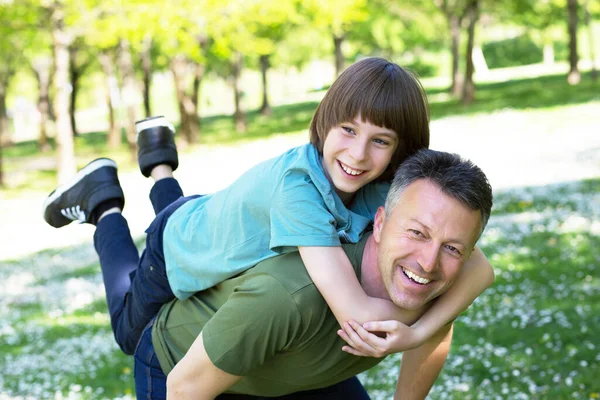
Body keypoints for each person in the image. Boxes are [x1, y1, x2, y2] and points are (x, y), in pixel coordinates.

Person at [43, 57, 491, 373]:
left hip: (214, 220)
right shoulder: (299, 192)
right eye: (348, 130)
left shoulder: (384, 189)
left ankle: (158, 156)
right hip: (178, 248)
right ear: (324, 121)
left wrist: (416, 333)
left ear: (401, 149)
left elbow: (479, 268)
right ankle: (103, 202)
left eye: (380, 140)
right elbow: (356, 313)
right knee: (128, 330)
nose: (357, 153)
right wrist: (423, 320)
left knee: (185, 213)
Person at [145, 148, 493, 399]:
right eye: (417, 233)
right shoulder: (289, 296)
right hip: (184, 370)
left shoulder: (441, 280)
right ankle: (109, 208)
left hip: (295, 373)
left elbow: (436, 331)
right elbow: (184, 389)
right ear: (381, 222)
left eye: (452, 247)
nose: (428, 263)